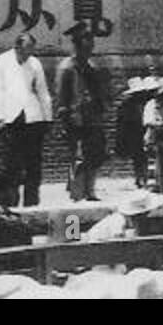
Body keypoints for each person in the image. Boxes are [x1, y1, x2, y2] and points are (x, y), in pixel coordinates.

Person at [0, 33, 53, 207]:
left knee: (34, 163)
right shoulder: (2, 61)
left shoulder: (35, 63)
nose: (28, 55)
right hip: (11, 118)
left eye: (31, 51)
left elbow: (42, 91)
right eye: (25, 51)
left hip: (33, 117)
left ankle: (32, 201)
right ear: (17, 47)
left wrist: (48, 118)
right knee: (11, 164)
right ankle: (11, 201)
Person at [55, 29, 110, 202]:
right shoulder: (67, 68)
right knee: (78, 156)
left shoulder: (92, 67)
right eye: (86, 47)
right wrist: (65, 118)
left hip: (92, 118)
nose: (90, 50)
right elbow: (61, 97)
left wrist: (101, 109)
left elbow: (100, 93)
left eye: (91, 47)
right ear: (77, 47)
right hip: (75, 118)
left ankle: (90, 191)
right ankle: (77, 192)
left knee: (95, 154)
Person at [115, 77, 157, 188]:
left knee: (145, 156)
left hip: (145, 130)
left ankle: (145, 177)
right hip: (133, 133)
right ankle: (140, 178)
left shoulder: (147, 103)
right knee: (138, 156)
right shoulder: (126, 106)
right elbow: (122, 122)